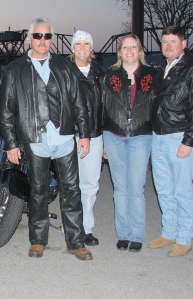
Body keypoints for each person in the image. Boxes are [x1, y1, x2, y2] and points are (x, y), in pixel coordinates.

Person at [0, 17, 92, 260]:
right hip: (35, 140)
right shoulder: (14, 69)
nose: (43, 41)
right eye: (38, 36)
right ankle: (38, 240)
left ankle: (76, 242)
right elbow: (7, 110)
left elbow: (78, 101)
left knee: (72, 191)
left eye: (47, 36)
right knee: (38, 191)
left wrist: (84, 134)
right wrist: (10, 143)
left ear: (51, 39)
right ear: (31, 38)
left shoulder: (64, 66)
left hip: (64, 139)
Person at [148, 25, 193, 257]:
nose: (168, 46)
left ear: (184, 43)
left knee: (182, 190)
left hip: (179, 137)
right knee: (163, 189)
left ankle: (184, 238)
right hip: (159, 136)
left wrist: (189, 140)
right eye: (165, 42)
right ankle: (169, 231)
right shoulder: (164, 68)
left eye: (173, 41)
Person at [100, 34, 158, 252]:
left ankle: (137, 235)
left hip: (141, 136)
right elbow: (102, 110)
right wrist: (102, 142)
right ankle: (123, 234)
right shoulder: (109, 77)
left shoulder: (152, 75)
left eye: (133, 47)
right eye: (125, 47)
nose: (130, 51)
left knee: (136, 188)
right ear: (120, 52)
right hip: (113, 136)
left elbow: (158, 108)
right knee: (120, 188)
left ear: (139, 50)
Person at [70, 30, 103, 246]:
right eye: (78, 44)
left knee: (90, 184)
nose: (82, 48)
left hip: (94, 134)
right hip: (68, 135)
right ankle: (72, 226)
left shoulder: (102, 74)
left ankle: (86, 228)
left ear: (92, 49)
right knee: (70, 184)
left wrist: (106, 139)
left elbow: (107, 108)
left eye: (86, 44)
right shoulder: (63, 71)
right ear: (72, 48)